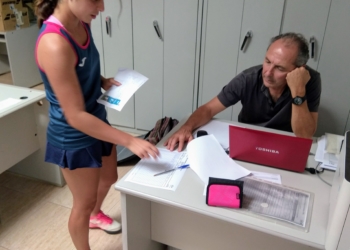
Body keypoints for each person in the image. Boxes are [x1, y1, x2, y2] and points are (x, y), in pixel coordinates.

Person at [35, 0, 159, 249]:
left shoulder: (82, 22)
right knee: (83, 201)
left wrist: (102, 81)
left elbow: (78, 70)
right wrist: (130, 140)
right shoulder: (54, 42)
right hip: (73, 135)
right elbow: (75, 116)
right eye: (95, 0)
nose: (101, 8)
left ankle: (96, 215)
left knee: (109, 177)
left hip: (97, 119)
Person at [165, 32, 321, 152]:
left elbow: (305, 135)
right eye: (267, 61)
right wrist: (186, 127)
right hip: (248, 141)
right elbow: (209, 109)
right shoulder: (248, 78)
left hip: (285, 144)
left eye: (279, 68)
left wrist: (299, 90)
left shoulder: (310, 80)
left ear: (299, 69)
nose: (267, 72)